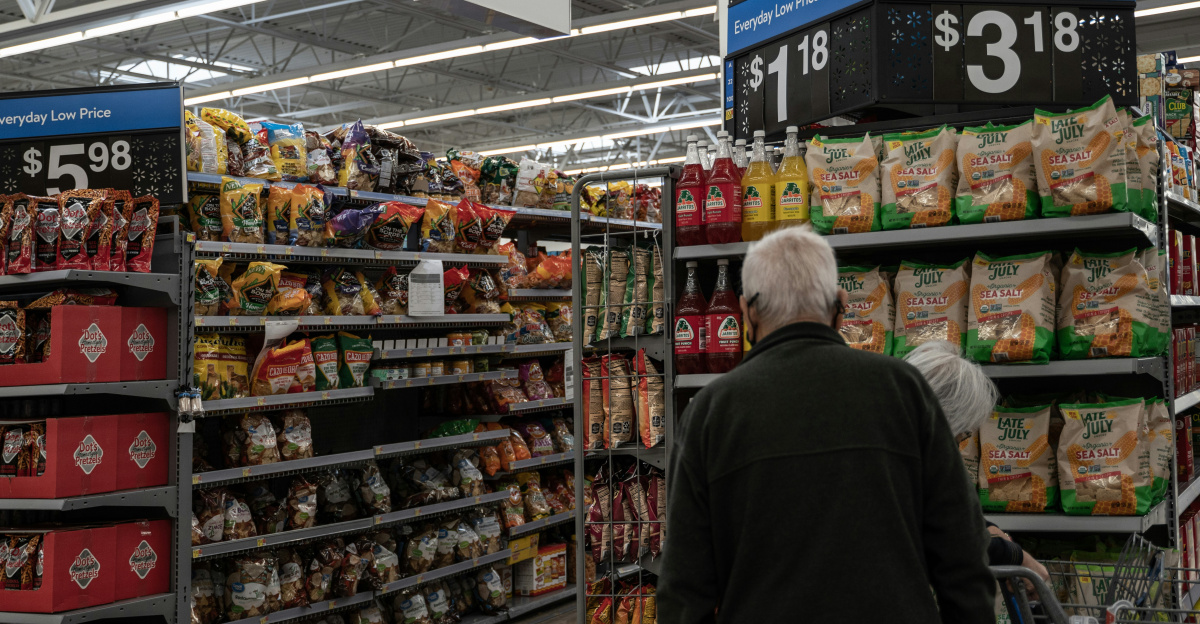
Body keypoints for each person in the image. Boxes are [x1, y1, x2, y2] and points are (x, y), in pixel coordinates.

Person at [658, 227, 996, 624]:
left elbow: (685, 589)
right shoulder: (902, 389)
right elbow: (962, 555)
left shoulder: (710, 412)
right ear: (840, 304)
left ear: (747, 311)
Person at [903, 340, 1051, 585]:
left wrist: (986, 529)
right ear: (941, 419)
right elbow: (941, 537)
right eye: (960, 436)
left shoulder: (897, 446)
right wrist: (1016, 556)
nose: (957, 449)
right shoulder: (891, 464)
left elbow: (942, 513)